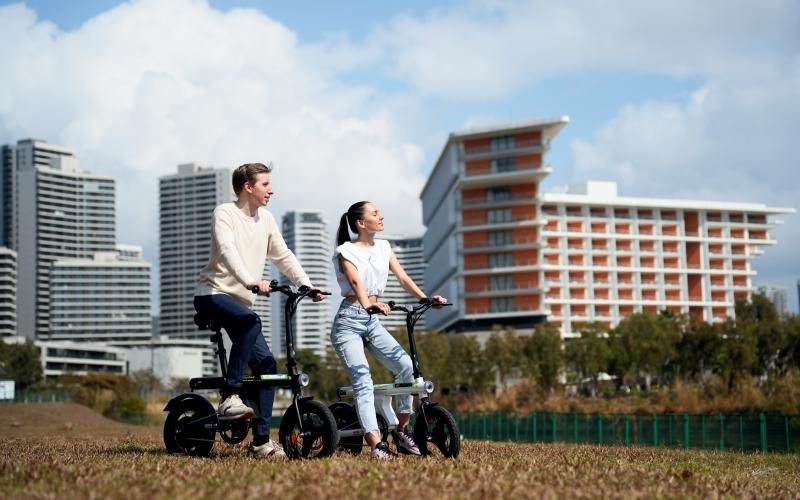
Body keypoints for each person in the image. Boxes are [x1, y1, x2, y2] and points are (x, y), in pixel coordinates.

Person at [194, 162, 323, 459]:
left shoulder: (265, 219)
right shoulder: (225, 213)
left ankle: (261, 442)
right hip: (212, 294)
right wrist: (249, 280)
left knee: (267, 368)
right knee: (251, 321)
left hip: (240, 302)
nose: (272, 189)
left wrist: (307, 284)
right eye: (265, 184)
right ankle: (230, 396)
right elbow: (227, 251)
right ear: (248, 187)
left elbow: (283, 255)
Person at [331, 201, 447, 460]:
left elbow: (403, 277)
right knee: (363, 380)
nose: (381, 216)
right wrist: (368, 304)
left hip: (372, 322)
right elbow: (354, 281)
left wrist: (425, 299)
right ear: (361, 223)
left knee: (406, 366)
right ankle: (376, 445)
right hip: (349, 322)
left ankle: (402, 431)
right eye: (375, 213)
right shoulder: (345, 250)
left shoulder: (383, 247)